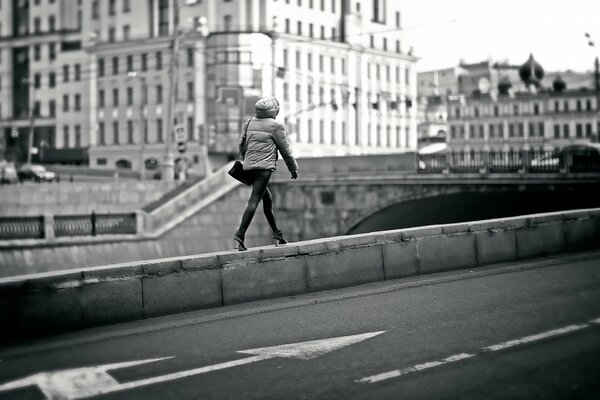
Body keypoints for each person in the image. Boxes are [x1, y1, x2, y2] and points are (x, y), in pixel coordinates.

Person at [234, 96, 298, 251]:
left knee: (267, 199)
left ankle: (277, 233)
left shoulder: (248, 122)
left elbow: (241, 148)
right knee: (254, 201)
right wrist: (293, 168)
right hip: (264, 169)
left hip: (248, 167)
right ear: (275, 110)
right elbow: (285, 151)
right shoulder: (276, 126)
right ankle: (240, 234)